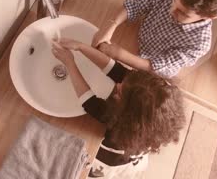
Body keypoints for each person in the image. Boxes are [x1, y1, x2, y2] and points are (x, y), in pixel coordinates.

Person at [52, 38, 186, 179]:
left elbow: (89, 102)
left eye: (120, 92)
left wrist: (70, 64)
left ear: (126, 112)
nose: (118, 85)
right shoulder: (144, 90)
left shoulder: (119, 123)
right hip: (137, 149)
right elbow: (115, 70)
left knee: (96, 173)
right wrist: (81, 46)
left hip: (111, 160)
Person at [92, 0, 217, 78]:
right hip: (137, 36)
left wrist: (119, 54)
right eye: (174, 1)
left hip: (146, 65)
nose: (172, 11)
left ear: (208, 17)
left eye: (183, 14)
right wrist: (111, 25)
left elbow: (159, 67)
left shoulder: (200, 43)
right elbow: (138, 4)